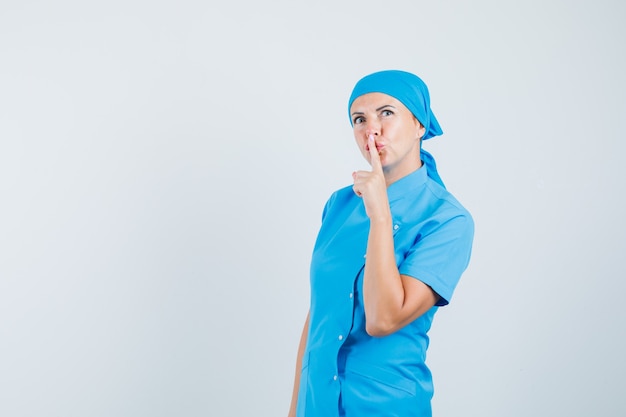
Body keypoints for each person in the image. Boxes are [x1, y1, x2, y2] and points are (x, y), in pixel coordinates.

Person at [288, 70, 474, 417]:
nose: (371, 129)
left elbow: (383, 319)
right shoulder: (339, 205)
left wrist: (380, 215)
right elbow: (319, 316)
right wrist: (294, 409)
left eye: (386, 113)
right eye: (359, 119)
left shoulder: (448, 220)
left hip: (384, 406)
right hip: (317, 405)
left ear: (420, 125)